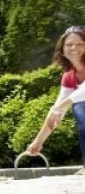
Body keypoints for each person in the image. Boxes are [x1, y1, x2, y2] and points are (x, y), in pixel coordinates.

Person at [27, 26, 85, 173]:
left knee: (79, 106)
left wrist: (60, 107)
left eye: (80, 44)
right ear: (62, 48)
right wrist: (38, 142)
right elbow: (57, 109)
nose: (74, 48)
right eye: (69, 44)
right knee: (80, 108)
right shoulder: (69, 76)